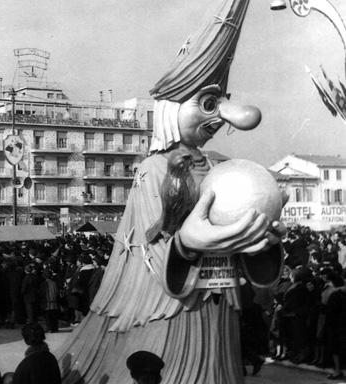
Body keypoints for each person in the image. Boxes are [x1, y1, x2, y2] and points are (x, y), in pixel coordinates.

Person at [55, 1, 285, 382]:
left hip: (217, 303)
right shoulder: (152, 168)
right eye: (209, 104)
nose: (223, 118)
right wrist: (186, 245)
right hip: (173, 306)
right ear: (171, 108)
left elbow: (245, 254)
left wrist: (261, 240)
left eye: (222, 104)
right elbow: (152, 244)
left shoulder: (216, 166)